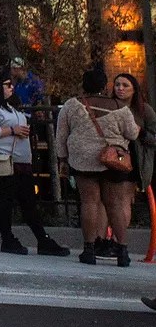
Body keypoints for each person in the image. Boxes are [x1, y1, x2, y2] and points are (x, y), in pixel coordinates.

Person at [0, 69, 69, 257]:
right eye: (7, 84)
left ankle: (43, 239)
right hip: (3, 161)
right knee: (6, 200)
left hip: (20, 161)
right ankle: (8, 238)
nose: (12, 87)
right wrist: (12, 130)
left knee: (28, 202)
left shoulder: (9, 106)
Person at [56, 67, 141, 267]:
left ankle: (89, 249)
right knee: (115, 204)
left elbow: (61, 135)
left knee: (89, 203)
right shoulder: (120, 107)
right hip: (112, 160)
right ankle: (122, 251)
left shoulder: (71, 105)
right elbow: (132, 134)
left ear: (84, 85)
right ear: (105, 86)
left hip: (82, 160)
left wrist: (62, 159)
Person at [113, 73, 156, 227]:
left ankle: (120, 240)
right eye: (117, 84)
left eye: (125, 85)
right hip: (109, 157)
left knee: (123, 199)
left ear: (134, 90)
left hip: (132, 159)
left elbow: (153, 137)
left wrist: (141, 132)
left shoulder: (144, 110)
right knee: (109, 201)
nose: (120, 89)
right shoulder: (109, 107)